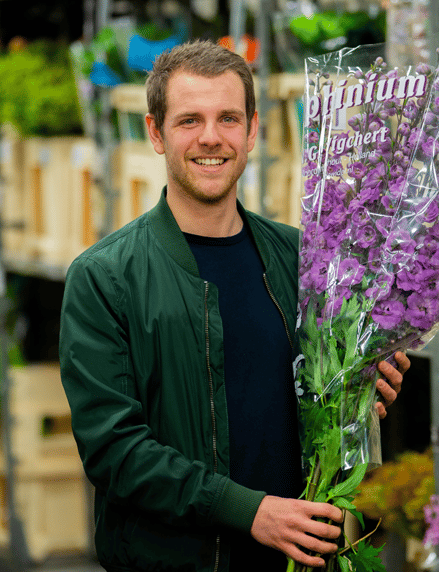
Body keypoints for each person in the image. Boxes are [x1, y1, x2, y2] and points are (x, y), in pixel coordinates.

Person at [59, 39, 410, 572]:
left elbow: (323, 403)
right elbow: (115, 453)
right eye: (188, 121)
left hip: (302, 558)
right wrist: (251, 512)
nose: (210, 138)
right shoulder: (106, 277)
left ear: (252, 131)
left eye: (228, 118)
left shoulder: (304, 258)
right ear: (156, 133)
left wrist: (363, 387)